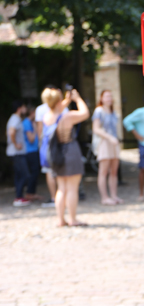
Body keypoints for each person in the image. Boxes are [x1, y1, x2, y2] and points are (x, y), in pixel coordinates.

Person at [43, 86, 89, 227]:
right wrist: (77, 99)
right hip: (70, 151)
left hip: (56, 154)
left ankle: (60, 219)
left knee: (61, 188)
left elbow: (56, 109)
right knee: (72, 188)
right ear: (58, 101)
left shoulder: (47, 117)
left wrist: (66, 101)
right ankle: (73, 219)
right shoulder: (67, 117)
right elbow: (85, 113)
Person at [92, 90, 122, 205]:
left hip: (114, 142)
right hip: (104, 142)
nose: (109, 98)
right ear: (101, 98)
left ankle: (114, 196)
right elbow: (96, 128)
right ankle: (104, 197)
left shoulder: (113, 112)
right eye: (106, 96)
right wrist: (109, 137)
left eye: (110, 96)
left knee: (114, 171)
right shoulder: (99, 111)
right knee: (103, 171)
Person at [123, 93, 144, 201]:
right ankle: (141, 193)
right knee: (143, 168)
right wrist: (136, 134)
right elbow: (126, 121)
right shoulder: (140, 112)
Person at [36, 88, 58, 207]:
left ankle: (54, 197)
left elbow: (40, 129)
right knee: (60, 170)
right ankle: (62, 196)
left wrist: (40, 143)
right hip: (60, 143)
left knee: (49, 171)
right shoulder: (62, 109)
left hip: (47, 143)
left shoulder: (40, 109)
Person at [6, 101, 31, 206]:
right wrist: (16, 144)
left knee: (18, 175)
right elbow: (11, 132)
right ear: (20, 108)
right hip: (17, 153)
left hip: (16, 152)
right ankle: (18, 197)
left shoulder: (15, 119)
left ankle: (19, 196)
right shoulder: (15, 119)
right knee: (25, 175)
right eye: (24, 107)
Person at [22, 105, 41, 198]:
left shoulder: (30, 122)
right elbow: (31, 139)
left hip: (34, 150)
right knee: (33, 172)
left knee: (36, 172)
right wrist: (36, 128)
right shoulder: (27, 123)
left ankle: (32, 193)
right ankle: (29, 193)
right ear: (32, 113)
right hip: (30, 151)